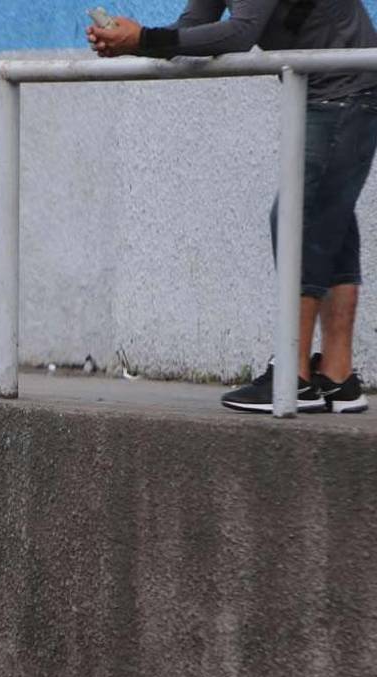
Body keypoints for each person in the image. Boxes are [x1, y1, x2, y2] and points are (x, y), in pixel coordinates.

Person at [88, 0, 377, 414]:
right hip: (334, 89)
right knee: (331, 223)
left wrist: (144, 38)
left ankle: (292, 374)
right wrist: (130, 43)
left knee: (297, 218)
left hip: (345, 90)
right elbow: (193, 26)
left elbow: (240, 33)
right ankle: (337, 377)